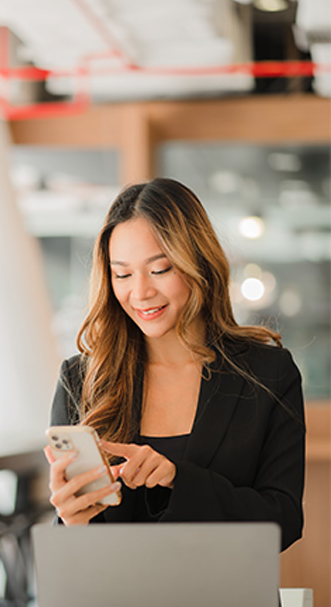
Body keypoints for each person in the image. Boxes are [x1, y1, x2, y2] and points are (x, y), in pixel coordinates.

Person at [44, 177, 305, 554]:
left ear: (197, 261)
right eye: (123, 274)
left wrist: (177, 479)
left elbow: (284, 521)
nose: (140, 292)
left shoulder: (268, 373)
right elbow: (71, 549)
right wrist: (71, 520)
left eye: (160, 269)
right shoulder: (81, 379)